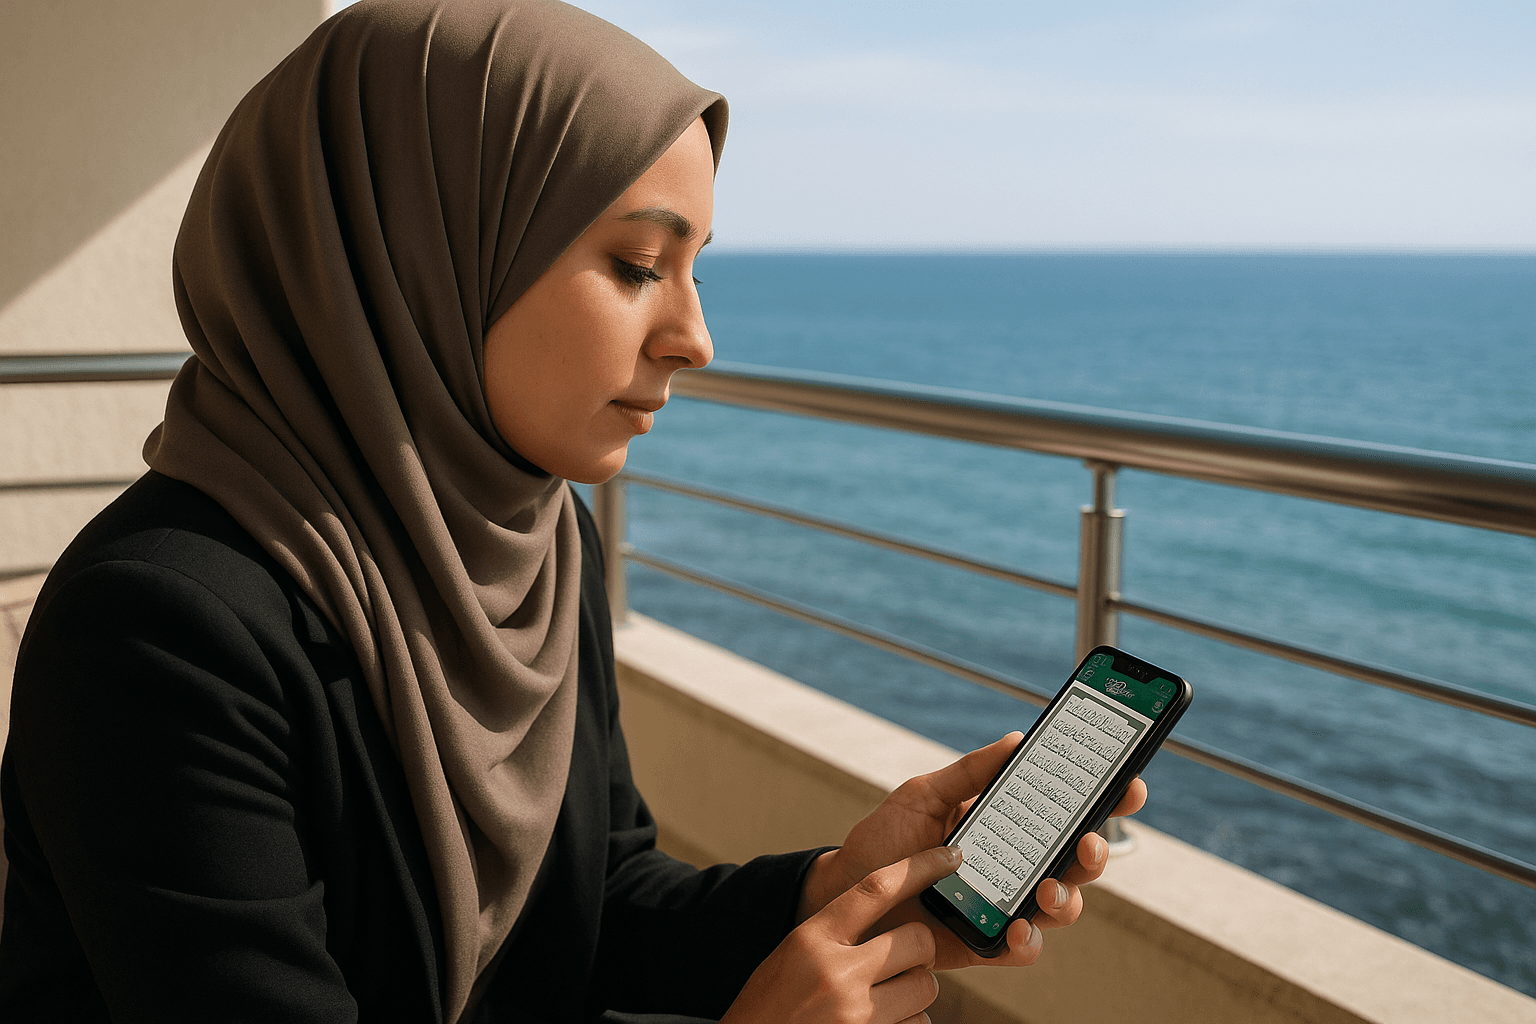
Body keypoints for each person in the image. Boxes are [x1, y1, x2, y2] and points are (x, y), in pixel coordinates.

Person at [0, 2, 1147, 1022]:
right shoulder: (159, 632)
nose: (695, 338)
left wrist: (839, 881)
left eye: (695, 269)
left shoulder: (535, 545)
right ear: (421, 254)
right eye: (639, 263)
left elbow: (596, 905)